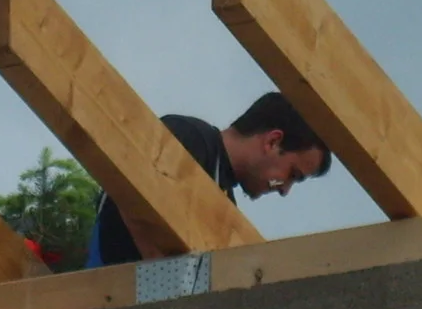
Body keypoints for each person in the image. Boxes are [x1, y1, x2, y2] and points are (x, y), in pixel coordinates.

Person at [85, 92, 331, 267]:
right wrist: (167, 284)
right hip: (105, 299)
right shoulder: (189, 138)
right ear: (273, 141)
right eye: (292, 175)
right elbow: (134, 195)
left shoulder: (225, 202)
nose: (285, 190)